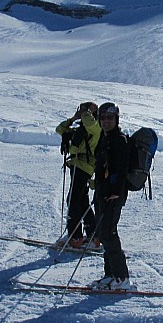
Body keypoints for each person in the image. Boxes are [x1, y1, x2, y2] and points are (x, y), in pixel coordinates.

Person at [89, 102, 135, 290]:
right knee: (103, 233)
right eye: (103, 118)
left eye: (110, 118)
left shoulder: (119, 140)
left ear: (117, 119)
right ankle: (110, 274)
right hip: (102, 193)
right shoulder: (105, 138)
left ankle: (122, 277)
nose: (106, 121)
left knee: (109, 233)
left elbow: (122, 169)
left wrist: (115, 192)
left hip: (113, 195)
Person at [55, 101, 101, 248]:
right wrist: (73, 118)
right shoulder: (81, 129)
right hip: (77, 166)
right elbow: (60, 129)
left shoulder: (96, 128)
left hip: (84, 166)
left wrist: (85, 112)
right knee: (82, 201)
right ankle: (93, 235)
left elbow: (88, 122)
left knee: (73, 200)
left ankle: (76, 238)